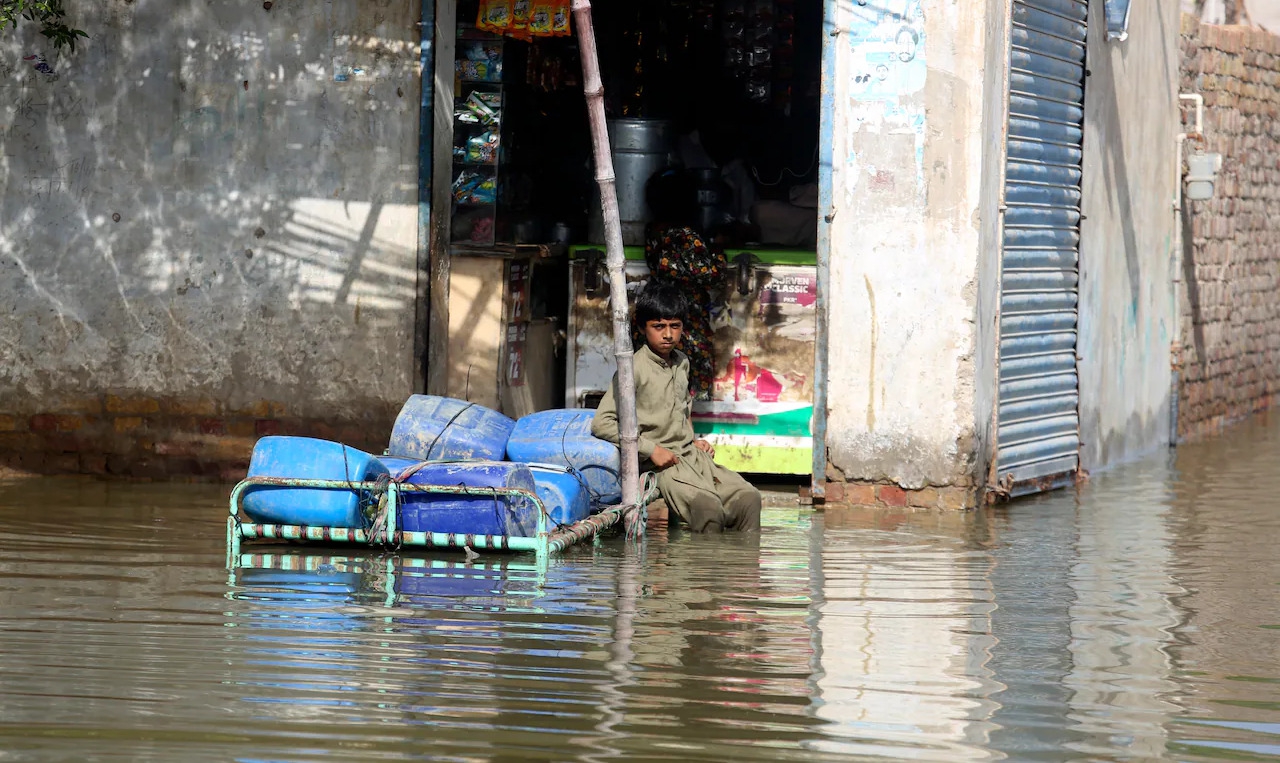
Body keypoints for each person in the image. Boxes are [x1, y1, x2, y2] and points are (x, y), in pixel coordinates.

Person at [592, 282, 762, 533]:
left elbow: (683, 408)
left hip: (692, 457)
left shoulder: (682, 362)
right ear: (641, 327)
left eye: (675, 326)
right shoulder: (633, 369)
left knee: (749, 499)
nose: (668, 335)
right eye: (658, 327)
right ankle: (699, 571)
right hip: (662, 466)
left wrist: (692, 440)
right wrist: (651, 450)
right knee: (708, 510)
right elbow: (601, 423)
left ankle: (737, 571)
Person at [642, 168, 727, 400]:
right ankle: (685, 429)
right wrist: (718, 248)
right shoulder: (686, 235)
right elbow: (711, 274)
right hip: (685, 316)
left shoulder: (654, 231)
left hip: (660, 308)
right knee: (688, 373)